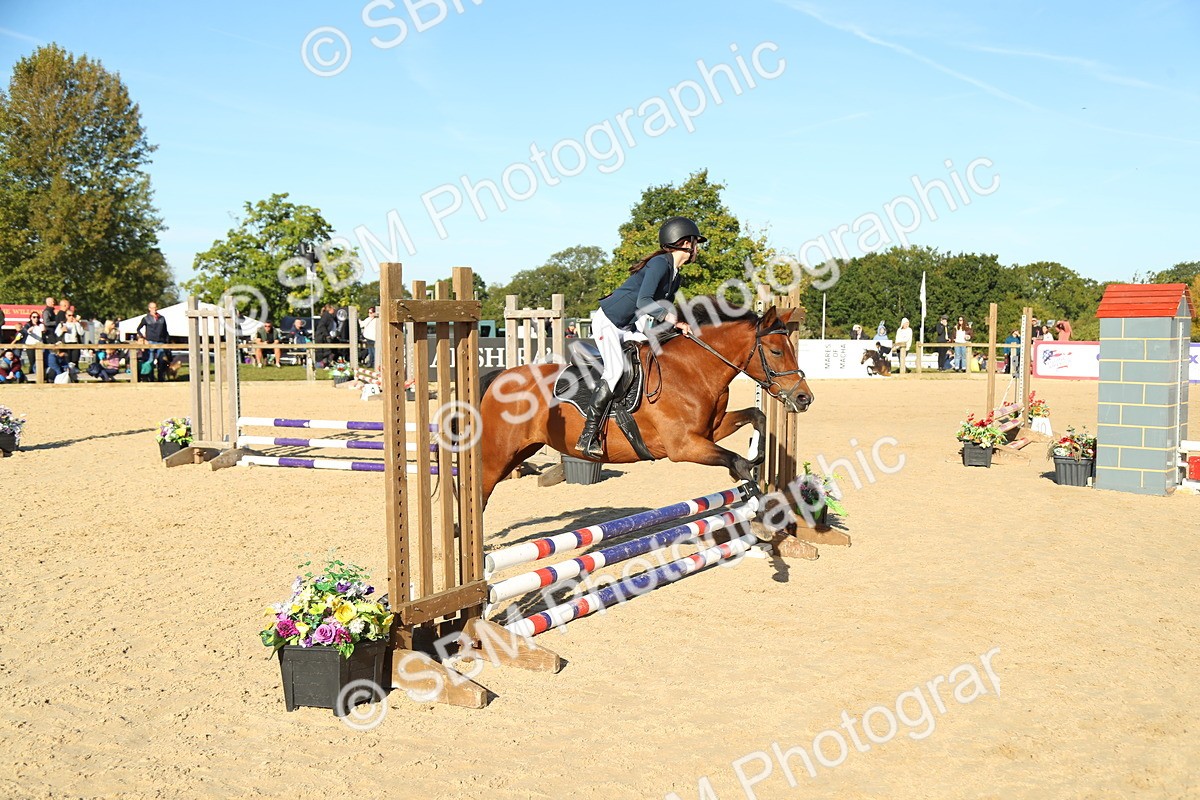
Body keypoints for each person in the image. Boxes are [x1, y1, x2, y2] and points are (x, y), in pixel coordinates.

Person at [576, 216, 702, 458]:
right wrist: (674, 320)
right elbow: (644, 302)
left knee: (653, 355)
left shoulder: (676, 276)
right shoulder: (659, 264)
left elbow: (657, 312)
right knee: (614, 371)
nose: (696, 248)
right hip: (609, 322)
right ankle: (588, 433)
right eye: (695, 242)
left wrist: (678, 327)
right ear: (685, 243)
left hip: (629, 325)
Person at [135, 302, 170, 381]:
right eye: (153, 308)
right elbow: (138, 329)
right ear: (149, 309)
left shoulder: (162, 318)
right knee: (150, 360)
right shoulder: (146, 318)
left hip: (161, 342)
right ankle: (150, 378)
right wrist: (143, 338)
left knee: (162, 361)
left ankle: (161, 378)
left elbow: (165, 331)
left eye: (156, 307)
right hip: (150, 342)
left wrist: (166, 341)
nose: (155, 309)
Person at [19, 312, 45, 378]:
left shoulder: (41, 325)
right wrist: (28, 331)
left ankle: (39, 376)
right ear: (31, 318)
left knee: (39, 361)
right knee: (32, 361)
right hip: (30, 345)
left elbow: (43, 331)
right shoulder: (28, 325)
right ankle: (31, 376)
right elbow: (24, 332)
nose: (36, 319)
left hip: (39, 345)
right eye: (34, 317)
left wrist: (44, 330)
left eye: (37, 317)